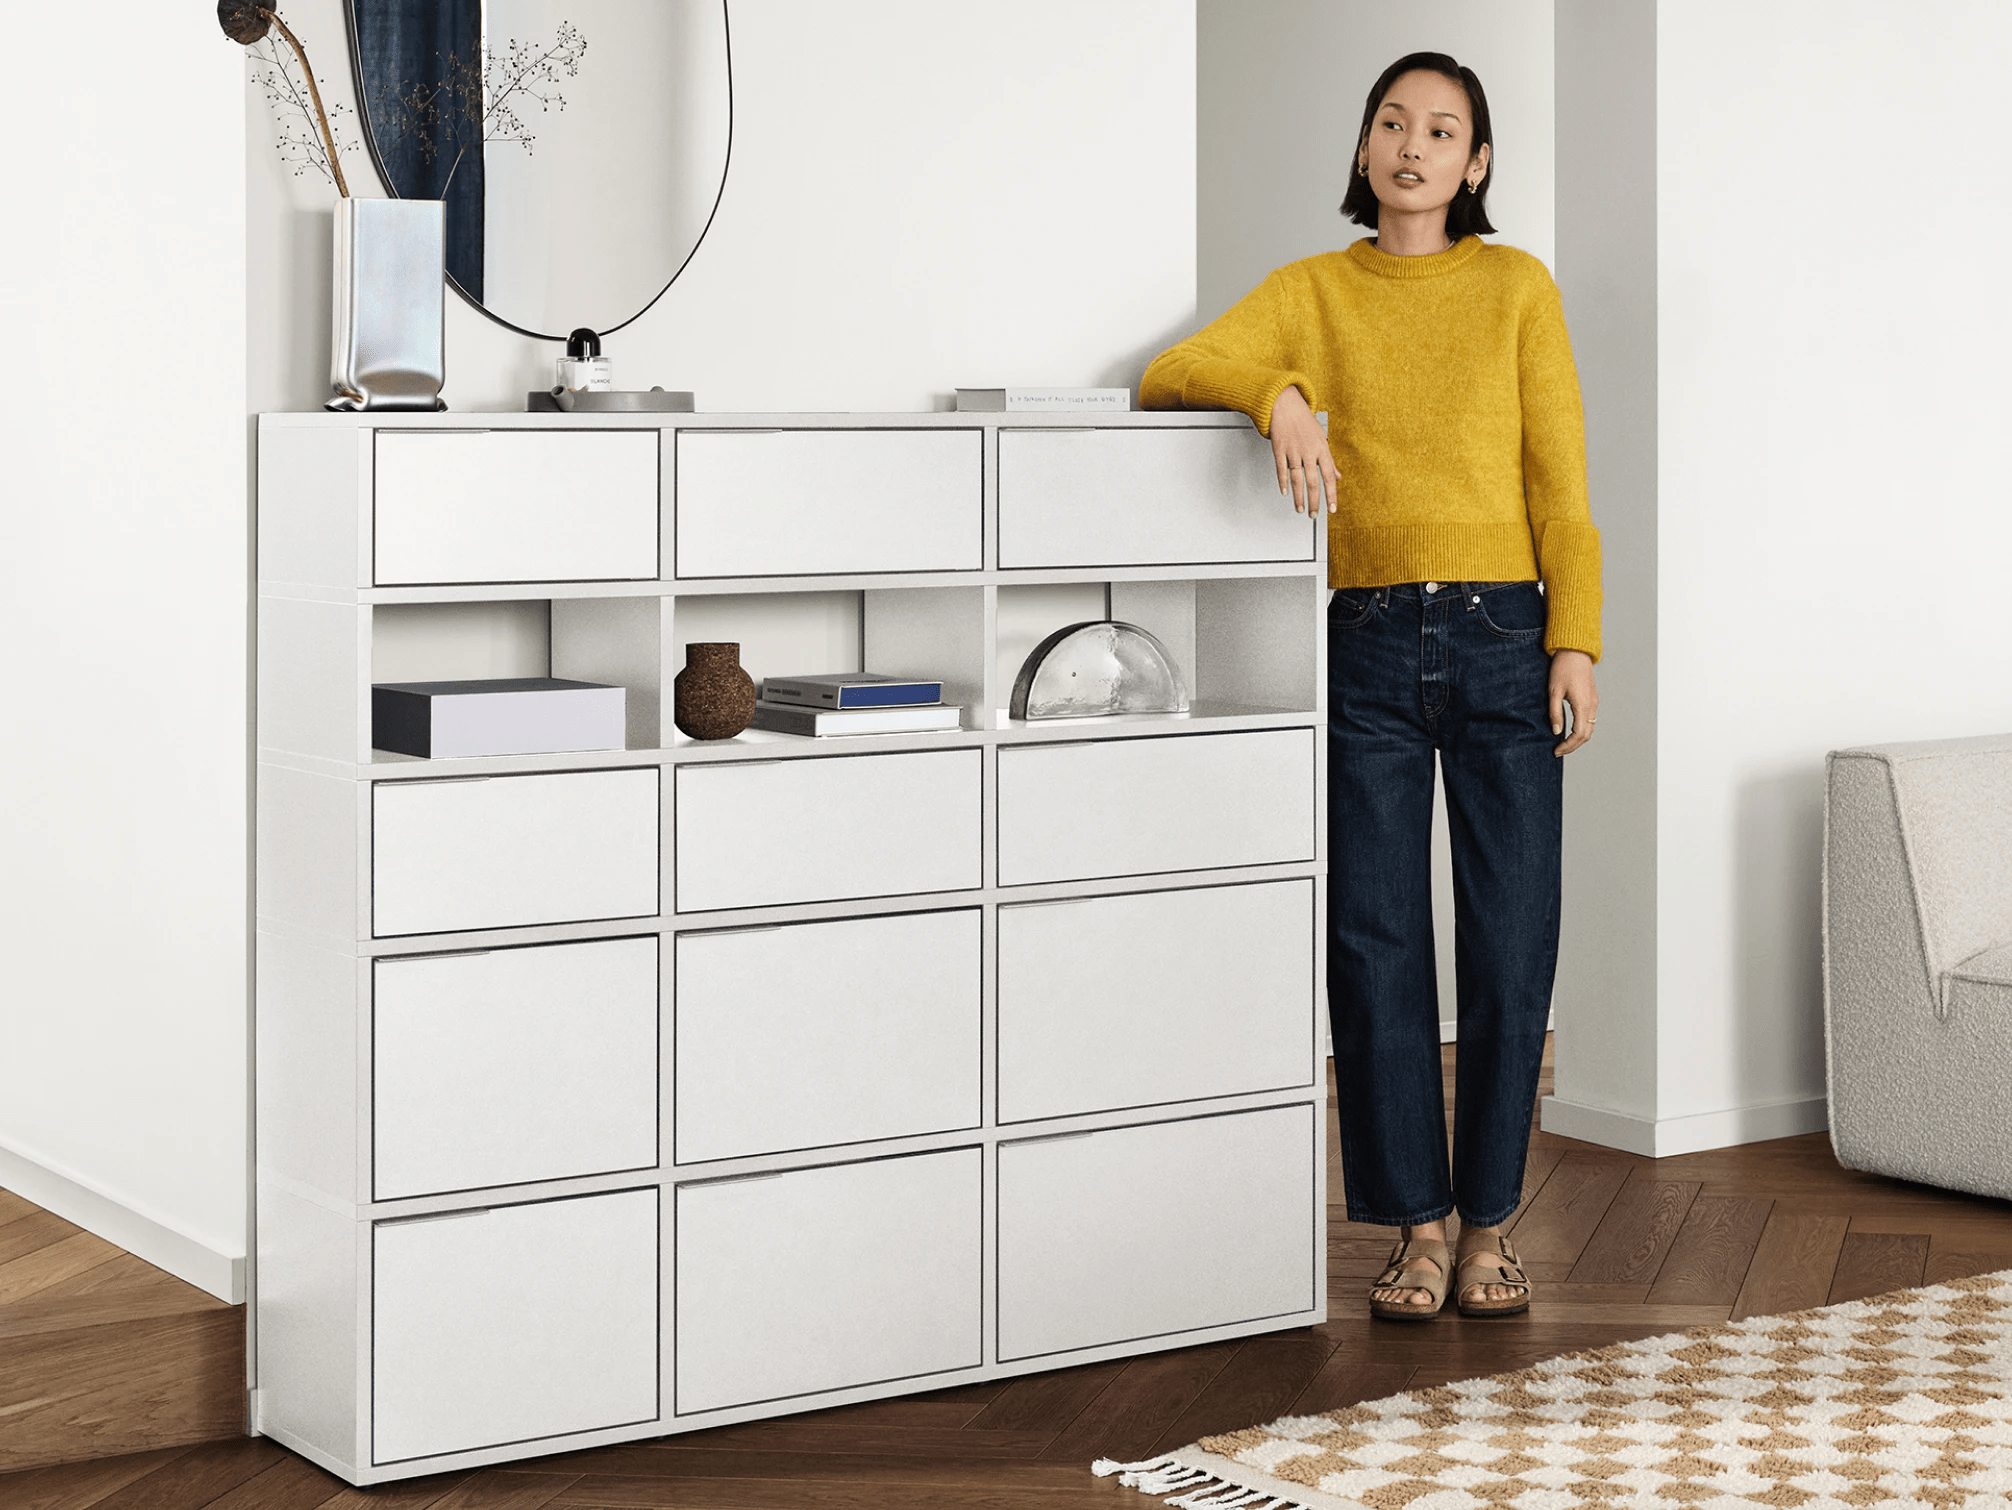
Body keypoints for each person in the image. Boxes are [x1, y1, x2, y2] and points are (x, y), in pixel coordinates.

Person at [1141, 52, 1599, 1320]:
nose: (1412, 146)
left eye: (1441, 129)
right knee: (1375, 938)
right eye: (1390, 123)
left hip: (1508, 634)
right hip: (1367, 642)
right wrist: (1277, 391)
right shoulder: (1308, 292)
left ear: (1476, 162)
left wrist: (1578, 640)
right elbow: (1173, 369)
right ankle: (1415, 1225)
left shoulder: (1516, 288)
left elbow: (1559, 482)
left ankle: (1494, 1221)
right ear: (1361, 151)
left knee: (1511, 938)